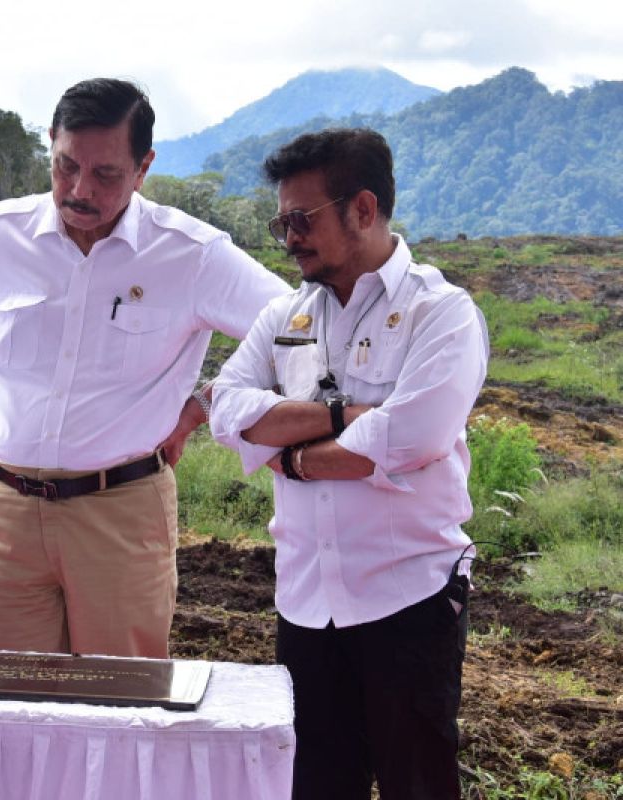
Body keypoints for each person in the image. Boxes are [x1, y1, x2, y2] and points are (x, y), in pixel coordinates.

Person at [0, 78, 289, 659]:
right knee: (9, 702)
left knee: (122, 706)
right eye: (65, 167)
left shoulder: (191, 254)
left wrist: (204, 406)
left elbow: (294, 330)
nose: (80, 190)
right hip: (4, 507)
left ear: (143, 168)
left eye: (106, 174)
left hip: (121, 513)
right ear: (51, 148)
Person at [208, 128, 488, 799]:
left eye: (302, 220)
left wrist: (291, 458)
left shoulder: (440, 314)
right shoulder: (284, 315)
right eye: (282, 222)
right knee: (313, 785)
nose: (289, 238)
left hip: (409, 599)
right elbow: (225, 409)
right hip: (305, 603)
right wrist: (345, 418)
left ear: (363, 209)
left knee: (416, 783)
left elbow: (412, 436)